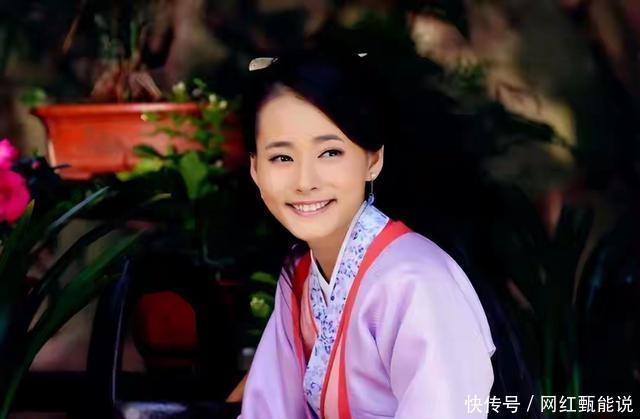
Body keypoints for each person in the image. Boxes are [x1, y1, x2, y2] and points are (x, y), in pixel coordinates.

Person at [238, 46, 496, 419]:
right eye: (282, 157)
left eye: (330, 153)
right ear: (255, 169)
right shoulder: (299, 276)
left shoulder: (415, 282)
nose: (305, 181)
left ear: (373, 159)